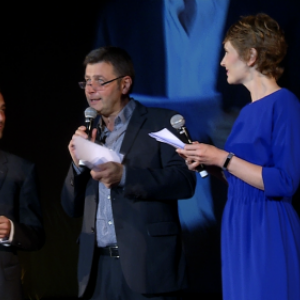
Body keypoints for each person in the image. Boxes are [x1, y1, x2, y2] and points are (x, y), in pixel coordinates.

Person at [177, 13, 300, 300]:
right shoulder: (246, 112)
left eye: (228, 53)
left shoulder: (285, 104)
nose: (221, 61)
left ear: (251, 55)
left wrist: (222, 158)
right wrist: (209, 164)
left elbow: (284, 181)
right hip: (237, 224)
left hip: (267, 228)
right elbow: (243, 180)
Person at [61, 46, 196, 300]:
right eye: (87, 82)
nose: (91, 89)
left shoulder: (163, 122)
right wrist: (77, 165)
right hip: (96, 272)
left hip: (148, 267)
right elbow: (70, 208)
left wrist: (125, 176)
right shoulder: (89, 134)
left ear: (124, 84)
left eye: (100, 81)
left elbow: (184, 181)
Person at [0, 90, 44, 300]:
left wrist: (11, 230)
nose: (1, 118)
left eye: (2, 110)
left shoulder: (21, 169)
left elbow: (36, 236)